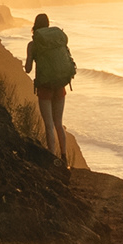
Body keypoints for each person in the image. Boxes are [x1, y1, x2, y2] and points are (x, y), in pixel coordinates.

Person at [22, 12, 76, 166]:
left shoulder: (33, 45)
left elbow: (28, 69)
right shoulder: (56, 41)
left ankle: (53, 158)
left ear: (35, 25)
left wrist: (27, 62)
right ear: (47, 25)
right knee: (59, 123)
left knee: (49, 124)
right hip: (60, 85)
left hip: (45, 88)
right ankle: (64, 157)